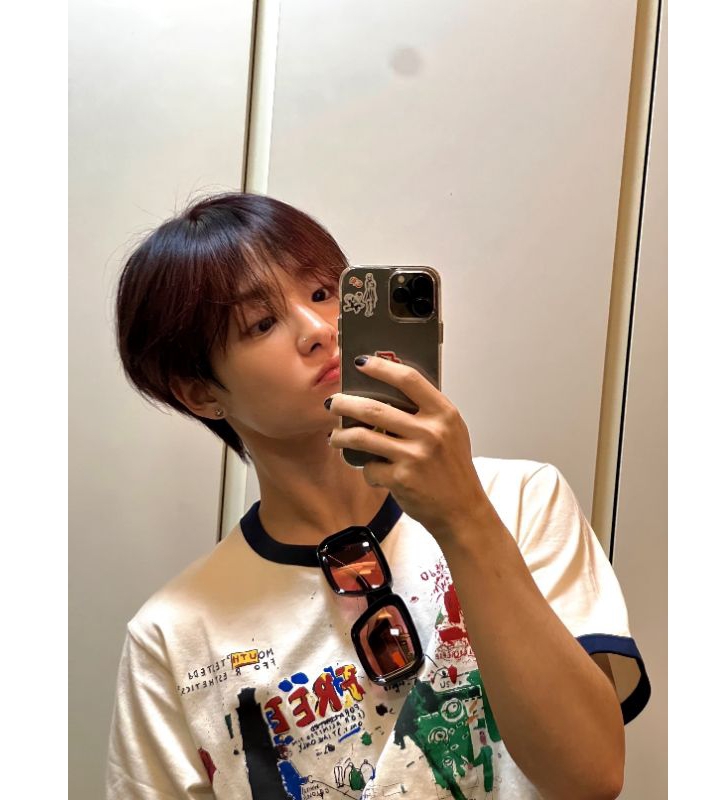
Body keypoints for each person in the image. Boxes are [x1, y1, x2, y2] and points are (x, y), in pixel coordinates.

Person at [105, 192, 650, 800]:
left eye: (323, 292)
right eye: (261, 323)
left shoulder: (520, 501)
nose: (319, 330)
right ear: (201, 393)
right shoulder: (172, 636)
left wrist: (464, 517)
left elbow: (590, 775)